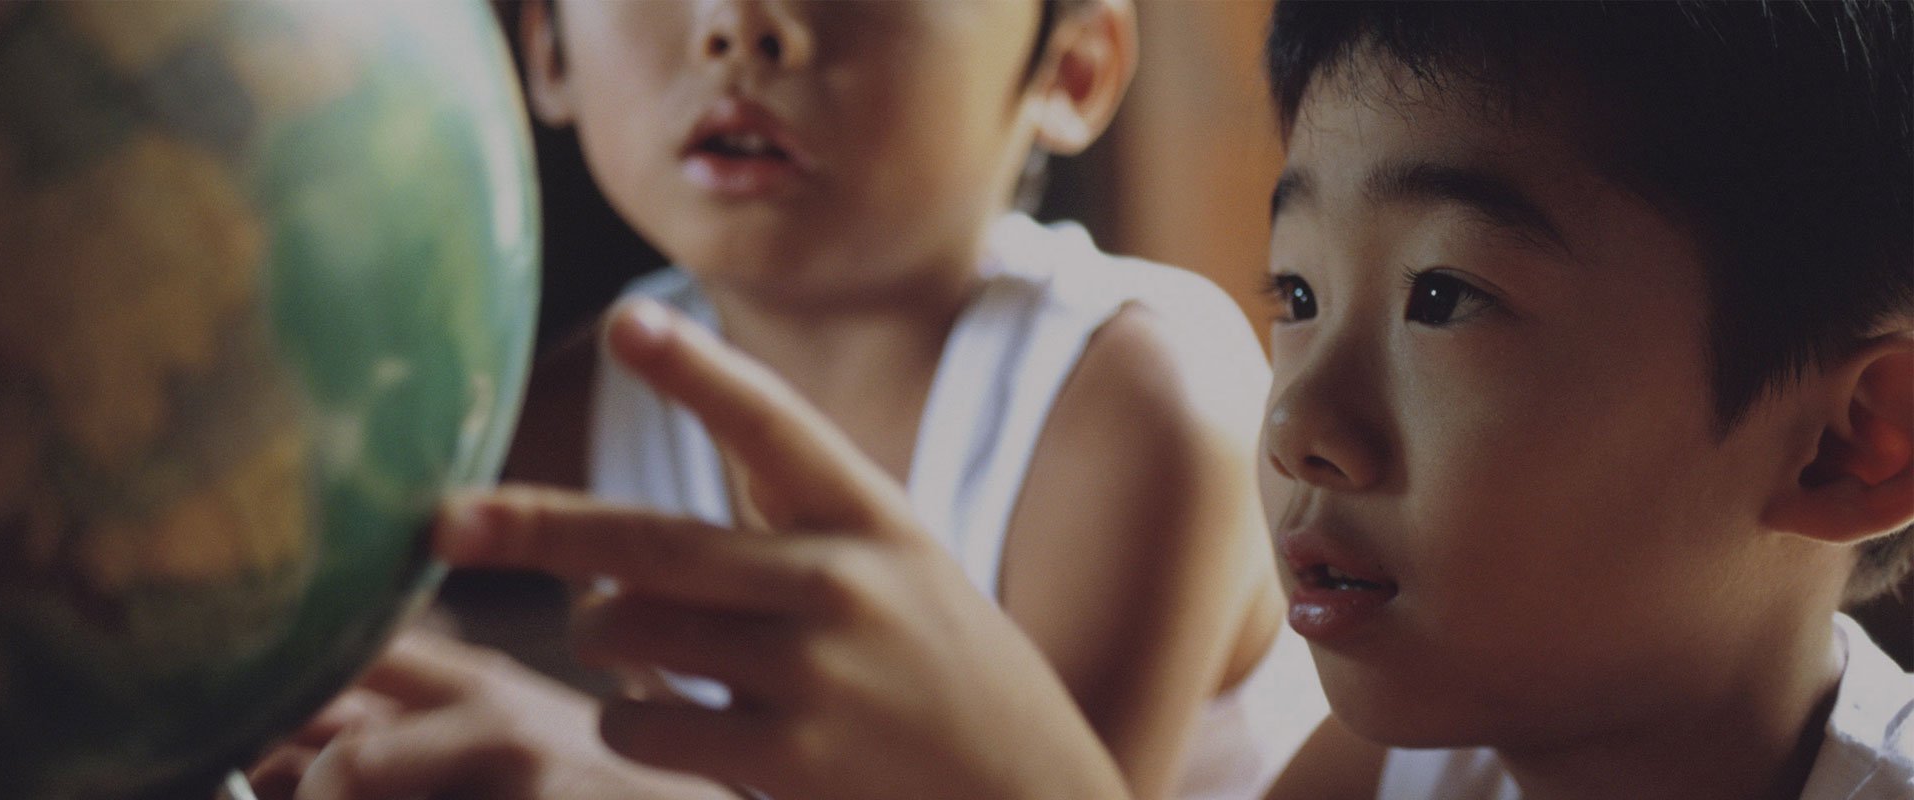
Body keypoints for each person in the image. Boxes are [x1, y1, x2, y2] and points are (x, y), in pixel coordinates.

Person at [419, 1, 1914, 798]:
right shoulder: (1431, 751)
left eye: (1443, 298)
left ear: (1856, 437)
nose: (1293, 422)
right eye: (1297, 297)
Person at [261, 1, 1321, 798]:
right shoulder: (589, 393)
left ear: (1073, 70)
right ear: (548, 49)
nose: (739, 25)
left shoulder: (1136, 400)